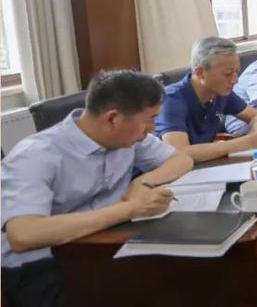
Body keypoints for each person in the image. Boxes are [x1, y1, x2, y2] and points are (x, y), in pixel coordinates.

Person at [1, 70, 194, 307]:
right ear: (113, 119)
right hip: (42, 265)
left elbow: (181, 160)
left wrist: (142, 182)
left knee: (189, 277)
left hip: (104, 244)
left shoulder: (128, 137)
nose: (153, 129)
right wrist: (130, 209)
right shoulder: (35, 155)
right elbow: (23, 235)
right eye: (150, 119)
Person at [154, 37, 257, 163]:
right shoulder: (170, 100)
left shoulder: (221, 92)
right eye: (228, 74)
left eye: (236, 72)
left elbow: (256, 116)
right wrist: (250, 141)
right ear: (200, 73)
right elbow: (180, 153)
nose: (235, 80)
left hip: (206, 165)